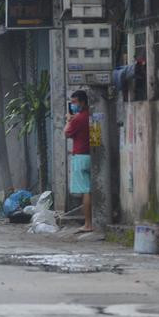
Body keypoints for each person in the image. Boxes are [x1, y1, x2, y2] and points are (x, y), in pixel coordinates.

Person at [64, 90, 93, 233]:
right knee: (89, 190)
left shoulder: (78, 119)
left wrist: (68, 120)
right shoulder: (91, 116)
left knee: (85, 191)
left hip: (80, 157)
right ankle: (89, 222)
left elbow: (66, 133)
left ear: (82, 102)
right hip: (91, 155)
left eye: (75, 102)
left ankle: (88, 224)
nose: (73, 105)